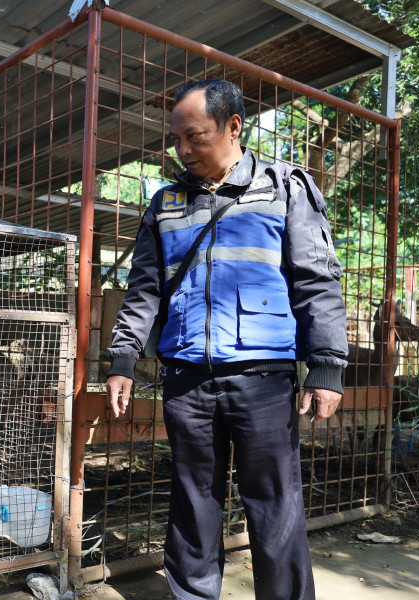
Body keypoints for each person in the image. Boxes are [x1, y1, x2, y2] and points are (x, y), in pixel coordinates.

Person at [105, 79, 348, 600]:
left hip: (263, 380)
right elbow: (144, 288)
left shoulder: (284, 187)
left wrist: (326, 368)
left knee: (274, 504)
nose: (183, 150)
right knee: (194, 501)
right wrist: (122, 359)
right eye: (177, 139)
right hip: (187, 379)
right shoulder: (165, 203)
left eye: (195, 137)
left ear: (234, 127)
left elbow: (317, 281)